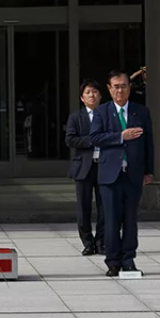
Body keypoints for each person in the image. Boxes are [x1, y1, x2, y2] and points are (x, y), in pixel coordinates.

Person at [90, 70, 154, 276]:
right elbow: (96, 137)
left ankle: (128, 259)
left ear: (129, 87)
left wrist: (149, 171)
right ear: (109, 89)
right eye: (116, 86)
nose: (120, 90)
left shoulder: (141, 112)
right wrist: (120, 136)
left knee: (130, 220)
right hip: (110, 176)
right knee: (111, 220)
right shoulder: (102, 112)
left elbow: (149, 143)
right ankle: (113, 261)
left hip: (133, 174)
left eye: (124, 86)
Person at [65, 80, 105, 256]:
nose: (92, 95)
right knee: (84, 207)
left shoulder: (107, 114)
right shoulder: (76, 117)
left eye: (95, 92)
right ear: (82, 98)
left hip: (104, 166)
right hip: (84, 167)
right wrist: (93, 139)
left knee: (105, 207)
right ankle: (88, 242)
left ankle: (102, 241)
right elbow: (70, 140)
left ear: (100, 96)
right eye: (88, 92)